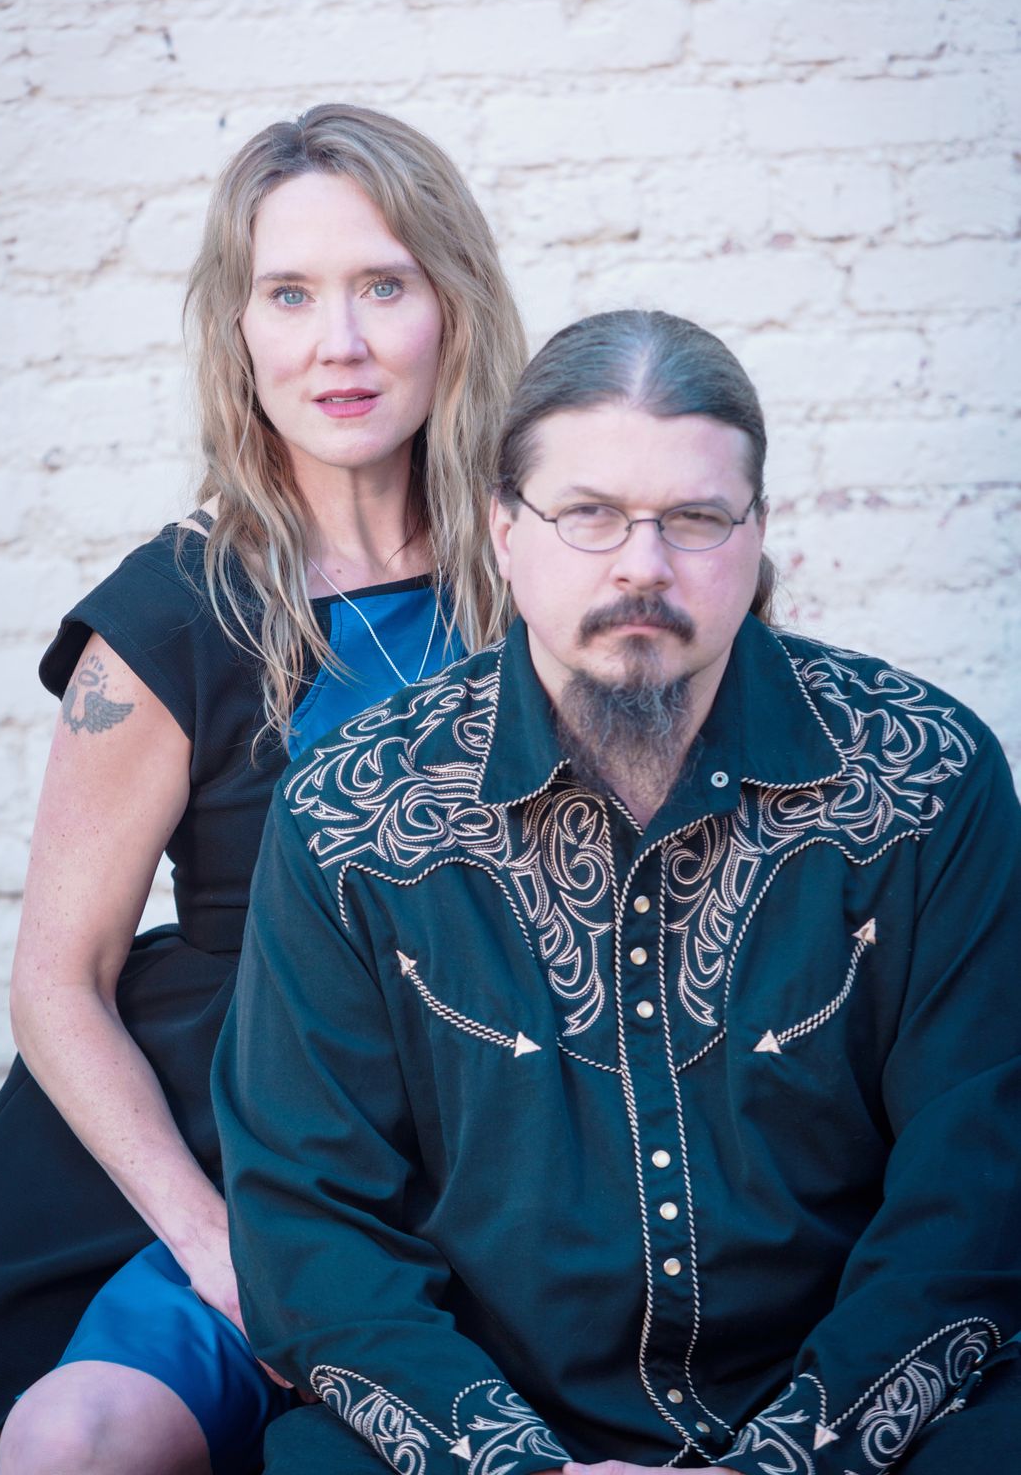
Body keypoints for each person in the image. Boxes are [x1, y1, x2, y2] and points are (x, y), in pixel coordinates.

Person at [214, 308, 1021, 1475]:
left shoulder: (923, 777)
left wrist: (788, 1458)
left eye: (694, 518)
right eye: (587, 513)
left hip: (856, 1416)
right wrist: (516, 1465)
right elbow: (310, 1226)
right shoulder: (349, 814)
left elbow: (975, 1190)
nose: (642, 565)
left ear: (755, 532)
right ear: (503, 529)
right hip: (484, 1423)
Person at [0, 103, 525, 1475]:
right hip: (246, 1156)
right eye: (290, 293)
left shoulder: (544, 573)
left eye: (381, 285)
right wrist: (219, 1249)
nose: (338, 343)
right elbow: (57, 983)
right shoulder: (172, 614)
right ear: (239, 328)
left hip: (513, 1153)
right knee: (78, 1444)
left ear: (452, 305)